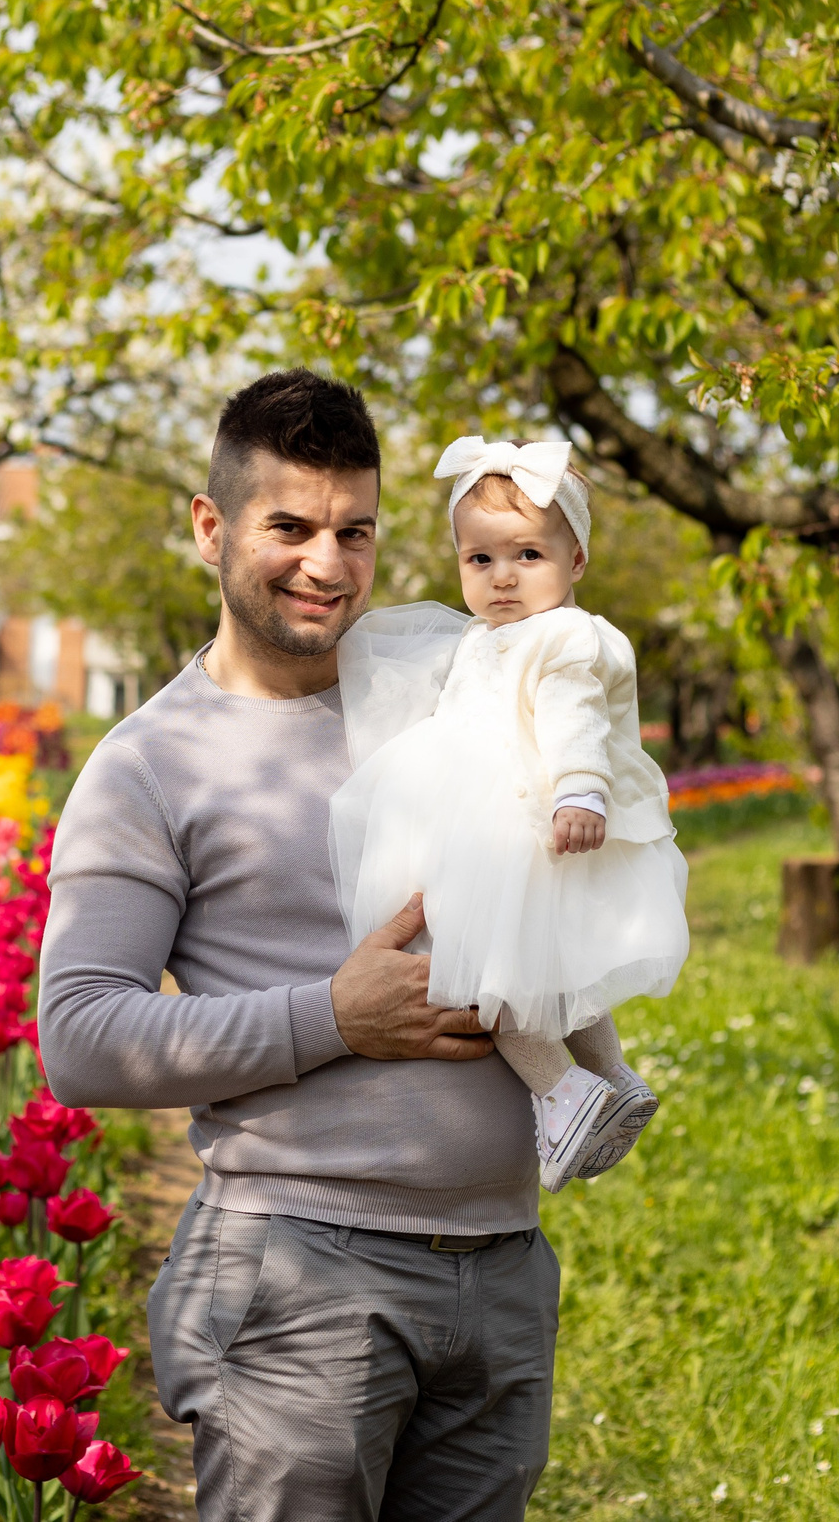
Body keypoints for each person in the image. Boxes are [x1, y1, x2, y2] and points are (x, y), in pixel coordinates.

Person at [40, 371, 556, 1522]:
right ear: (210, 527)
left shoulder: (448, 703)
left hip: (503, 1266)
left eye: (353, 531)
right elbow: (79, 1037)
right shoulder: (148, 764)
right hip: (300, 1279)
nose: (326, 564)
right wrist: (332, 1015)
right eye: (289, 527)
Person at [329, 437, 689, 1191]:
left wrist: (580, 788)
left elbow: (574, 714)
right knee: (547, 965)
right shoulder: (483, 637)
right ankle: (614, 1079)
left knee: (480, 970)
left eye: (528, 555)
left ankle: (562, 1092)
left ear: (576, 561)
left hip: (519, 826)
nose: (502, 577)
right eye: (480, 559)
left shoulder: (563, 636)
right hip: (492, 827)